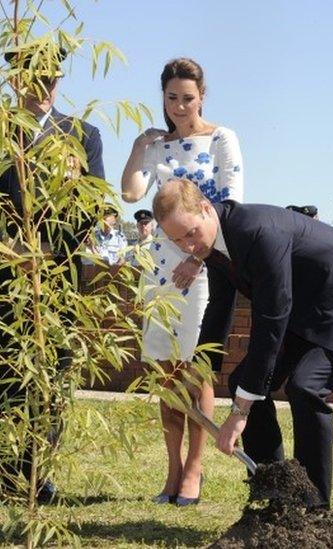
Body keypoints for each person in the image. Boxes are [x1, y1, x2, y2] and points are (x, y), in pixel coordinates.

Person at [152, 179, 333, 509]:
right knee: (246, 381)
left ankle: (313, 508)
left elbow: (271, 318)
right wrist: (199, 373)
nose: (188, 246)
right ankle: (279, 497)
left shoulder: (257, 232)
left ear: (206, 209)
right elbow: (219, 308)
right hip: (307, 303)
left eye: (191, 233)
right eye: (177, 240)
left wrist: (240, 411)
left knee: (306, 386)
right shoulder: (215, 245)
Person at [0, 43, 104, 502]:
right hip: (3, 277)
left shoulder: (83, 133)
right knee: (3, 374)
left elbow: (93, 204)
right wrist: (9, 245)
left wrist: (45, 249)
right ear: (15, 80)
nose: (44, 89)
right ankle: (0, 475)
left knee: (53, 376)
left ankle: (40, 471)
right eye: (34, 79)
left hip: (58, 279)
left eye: (52, 79)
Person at [121, 58, 244, 506]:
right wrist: (139, 146)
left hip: (205, 266)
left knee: (195, 369)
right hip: (159, 270)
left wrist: (200, 258)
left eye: (187, 98)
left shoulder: (221, 138)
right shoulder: (157, 144)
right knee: (164, 373)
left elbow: (230, 204)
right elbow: (132, 192)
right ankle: (171, 470)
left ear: (202, 96)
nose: (178, 106)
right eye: (171, 97)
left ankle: (195, 468)